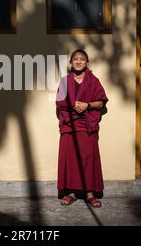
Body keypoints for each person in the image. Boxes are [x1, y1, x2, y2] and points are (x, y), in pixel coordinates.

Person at [55, 49, 108, 207]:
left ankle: (90, 194)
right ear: (71, 62)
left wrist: (87, 105)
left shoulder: (93, 81)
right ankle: (71, 193)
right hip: (70, 126)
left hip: (87, 125)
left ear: (87, 63)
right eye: (75, 59)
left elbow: (101, 102)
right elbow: (59, 103)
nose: (78, 62)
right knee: (71, 160)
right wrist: (73, 108)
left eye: (82, 59)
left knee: (88, 159)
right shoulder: (65, 81)